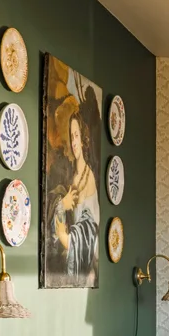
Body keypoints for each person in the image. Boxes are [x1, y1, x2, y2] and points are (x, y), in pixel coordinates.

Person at [52, 111, 99, 285]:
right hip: (71, 255)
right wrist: (61, 206)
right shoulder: (72, 175)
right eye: (71, 136)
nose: (73, 142)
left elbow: (90, 227)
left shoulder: (89, 177)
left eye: (76, 136)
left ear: (83, 139)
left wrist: (67, 239)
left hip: (84, 269)